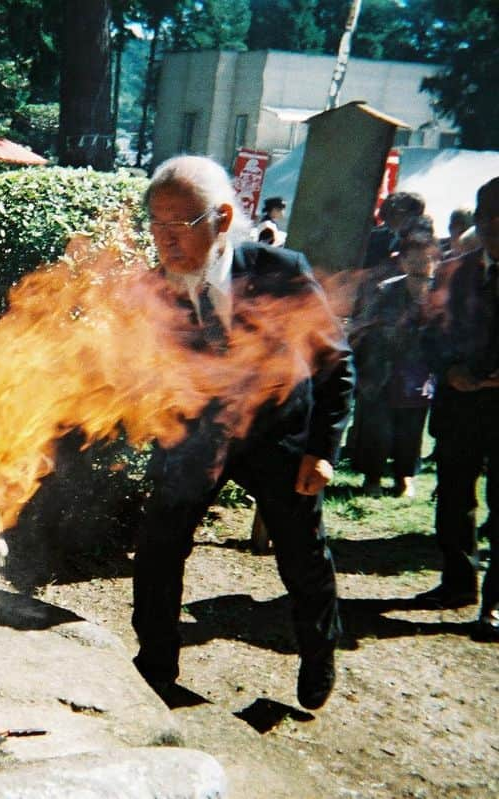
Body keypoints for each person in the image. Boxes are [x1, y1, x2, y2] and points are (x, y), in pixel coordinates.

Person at [132, 155, 355, 709]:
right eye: (156, 225)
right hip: (195, 439)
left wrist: (322, 452)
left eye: (180, 224)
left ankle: (319, 651)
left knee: (301, 553)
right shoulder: (154, 288)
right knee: (159, 545)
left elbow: (336, 362)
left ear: (223, 218)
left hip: (279, 436)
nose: (166, 240)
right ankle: (155, 665)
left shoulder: (279, 272)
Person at [420, 177, 499, 642]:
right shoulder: (454, 272)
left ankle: (494, 604)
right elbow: (429, 332)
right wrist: (450, 370)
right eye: (487, 217)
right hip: (460, 407)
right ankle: (457, 581)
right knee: (453, 499)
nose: (493, 227)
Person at [349, 216, 438, 497]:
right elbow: (363, 326)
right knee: (377, 426)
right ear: (403, 261)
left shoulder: (439, 294)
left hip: (418, 371)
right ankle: (372, 478)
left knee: (410, 428)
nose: (419, 264)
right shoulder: (385, 289)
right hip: (381, 368)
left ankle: (404, 477)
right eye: (412, 259)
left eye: (425, 259)